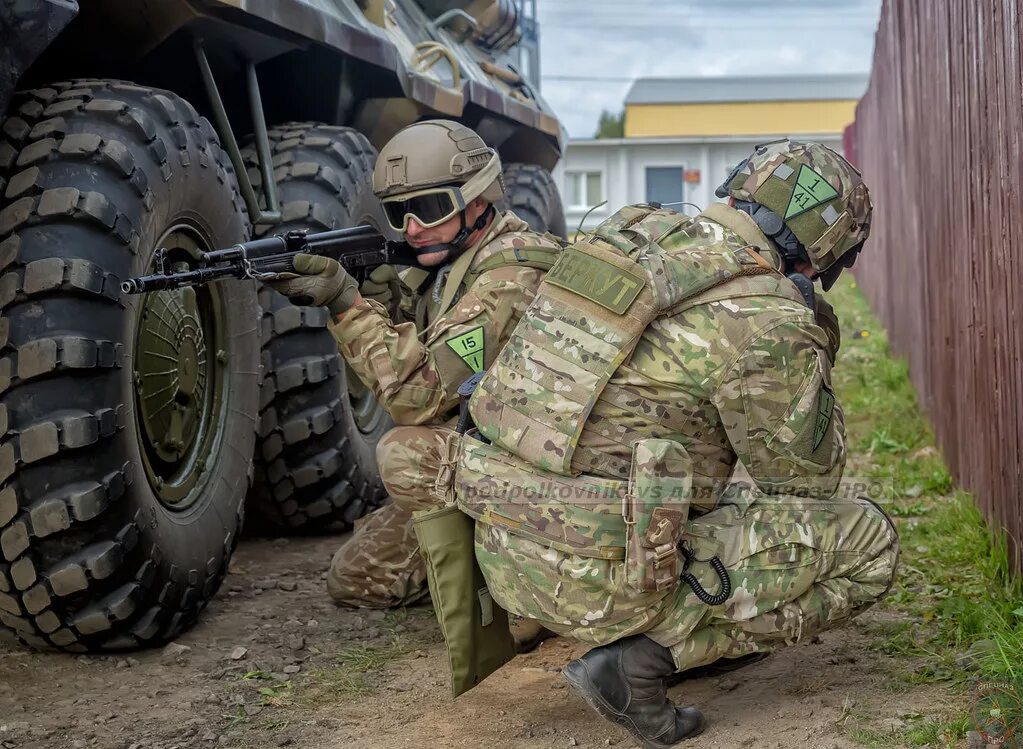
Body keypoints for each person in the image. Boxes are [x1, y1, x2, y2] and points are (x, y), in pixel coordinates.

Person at [444, 139, 898, 747]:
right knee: (870, 544)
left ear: (738, 192)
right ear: (826, 253)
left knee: (726, 500)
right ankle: (644, 661)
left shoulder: (626, 235)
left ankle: (660, 628)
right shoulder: (766, 316)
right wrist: (816, 342)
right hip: (606, 581)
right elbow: (807, 479)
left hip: (504, 552)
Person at [265, 119, 563, 630]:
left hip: (547, 471)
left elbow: (418, 399)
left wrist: (349, 305)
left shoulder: (511, 276)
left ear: (476, 200)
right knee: (358, 579)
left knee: (405, 450)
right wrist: (392, 303)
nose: (411, 228)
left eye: (428, 209)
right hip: (500, 451)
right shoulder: (450, 264)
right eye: (398, 213)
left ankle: (525, 584)